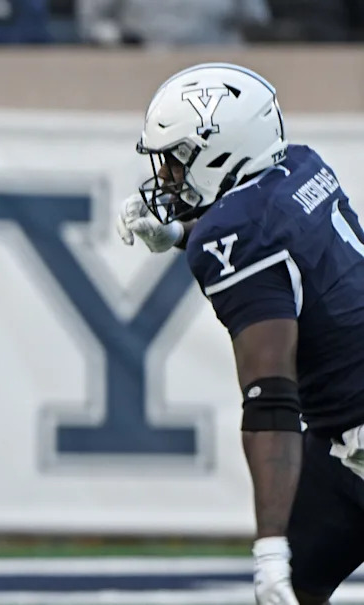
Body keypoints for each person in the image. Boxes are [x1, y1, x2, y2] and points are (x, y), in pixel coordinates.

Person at [117, 62, 364, 605]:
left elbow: (271, 397)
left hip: (350, 435)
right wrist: (180, 232)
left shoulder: (237, 234)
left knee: (284, 580)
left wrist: (269, 545)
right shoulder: (300, 165)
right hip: (345, 442)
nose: (168, 179)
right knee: (294, 593)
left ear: (221, 151)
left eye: (178, 161)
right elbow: (282, 249)